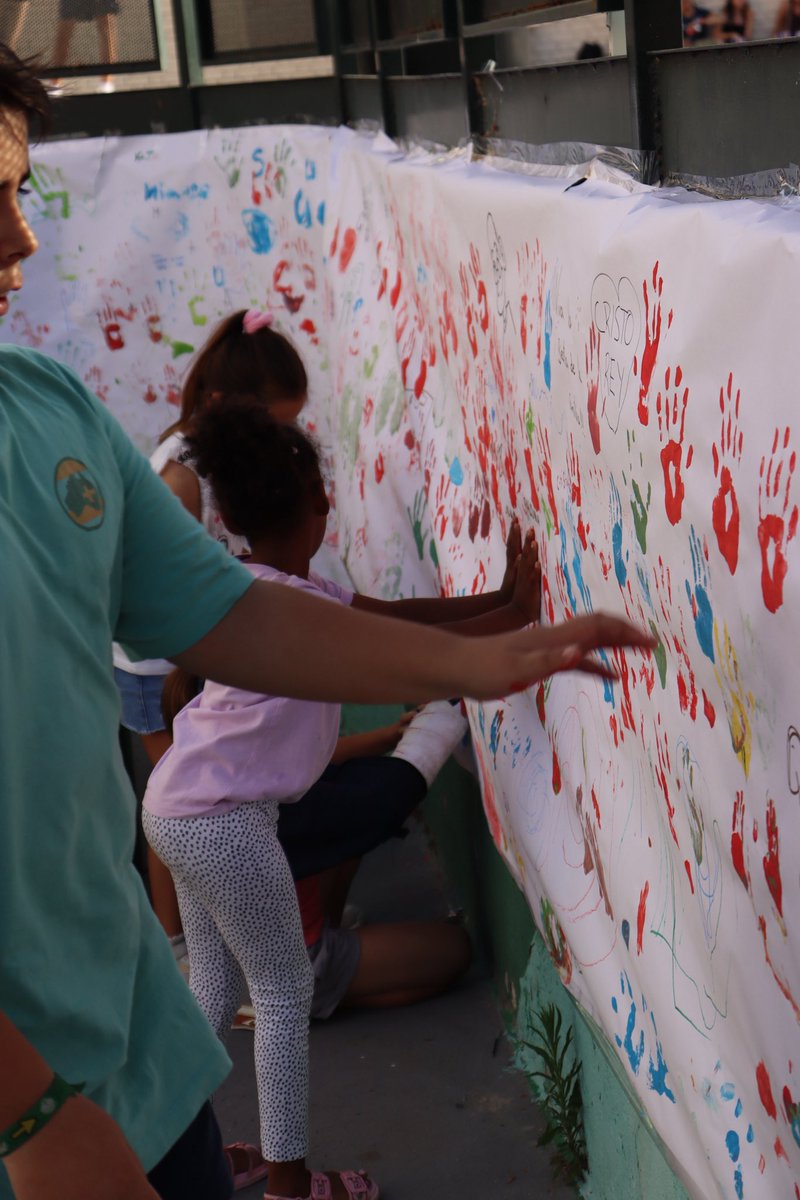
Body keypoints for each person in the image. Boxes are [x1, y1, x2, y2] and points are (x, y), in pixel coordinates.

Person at [0, 45, 656, 1200]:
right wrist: (36, 1116)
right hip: (39, 1124)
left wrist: (480, 655)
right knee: (282, 989)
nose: (22, 242)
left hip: (130, 1074)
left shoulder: (45, 411)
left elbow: (238, 612)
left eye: (14, 192)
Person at [143, 400, 547, 1198]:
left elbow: (398, 619)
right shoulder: (300, 601)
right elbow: (405, 632)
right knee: (283, 990)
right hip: (221, 823)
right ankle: (291, 1184)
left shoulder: (257, 585)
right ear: (322, 505)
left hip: (172, 809)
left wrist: (503, 605)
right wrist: (511, 615)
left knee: (216, 991)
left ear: (227, 514)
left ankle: (171, 1153)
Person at [112, 307, 308, 958]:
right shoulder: (181, 473)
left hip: (200, 652)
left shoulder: (222, 453)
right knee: (178, 806)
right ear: (226, 405)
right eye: (273, 427)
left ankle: (218, 943)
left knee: (200, 802)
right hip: (157, 668)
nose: (282, 444)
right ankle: (177, 947)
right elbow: (149, 587)